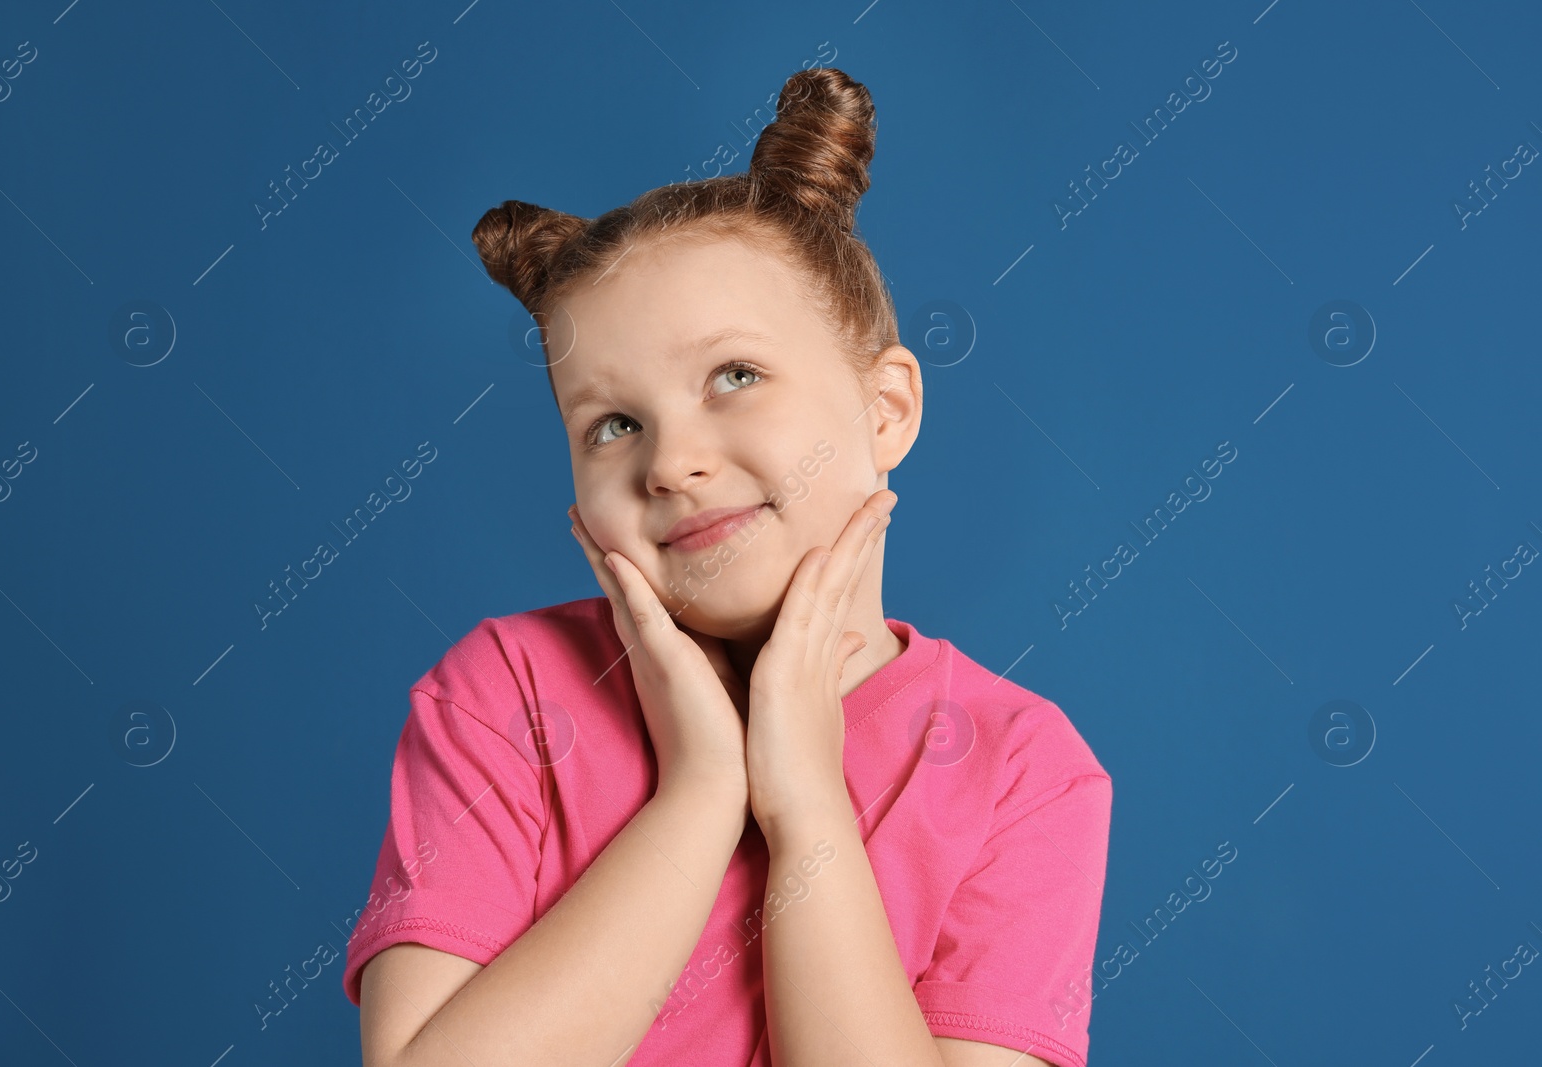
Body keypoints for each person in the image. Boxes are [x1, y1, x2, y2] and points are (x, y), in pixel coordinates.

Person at [342, 66, 1112, 1067]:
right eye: (613, 423)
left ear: (885, 411)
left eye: (734, 376)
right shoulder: (507, 693)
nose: (668, 462)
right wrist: (701, 790)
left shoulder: (1021, 767)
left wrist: (804, 807)